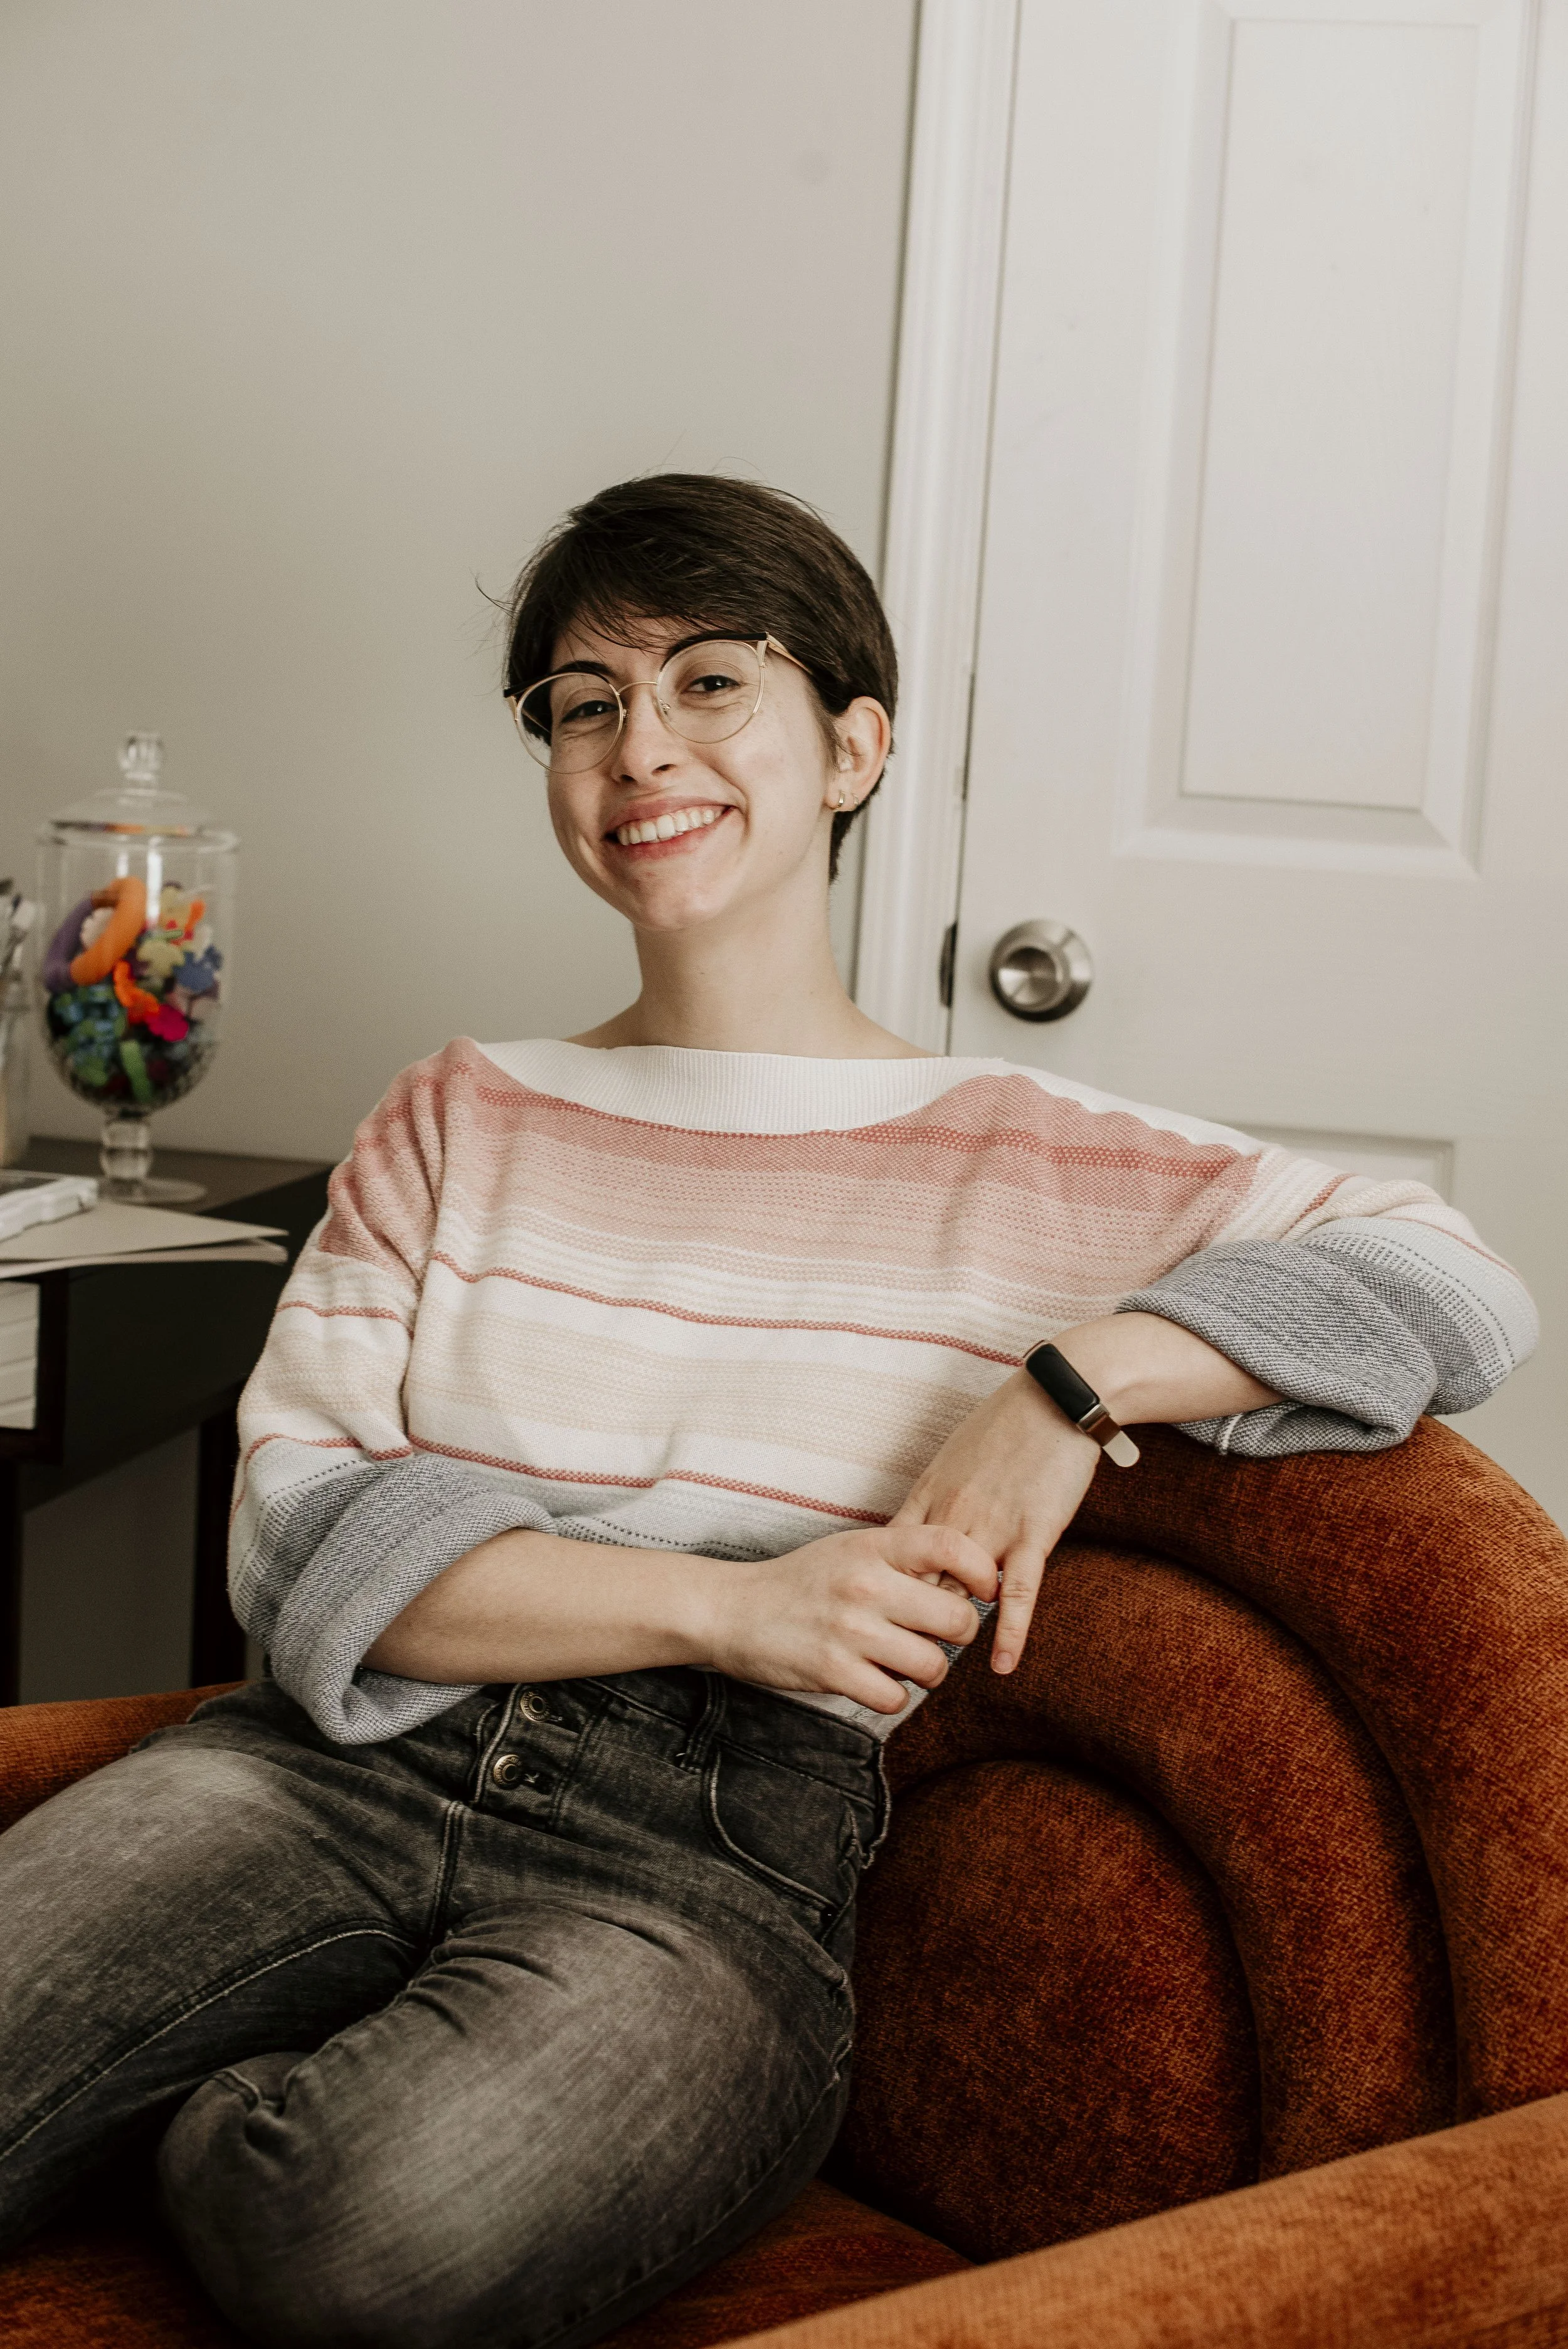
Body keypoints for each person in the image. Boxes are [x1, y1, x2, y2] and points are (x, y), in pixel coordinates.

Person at [0, 475, 1536, 2349]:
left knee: (351, 2246)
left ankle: (210, 2102)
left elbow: (1449, 1284)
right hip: (327, 1770)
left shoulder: (1039, 1161)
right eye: (584, 704)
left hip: (707, 1869)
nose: (640, 749)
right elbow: (304, 1545)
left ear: (851, 748)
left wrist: (1064, 1388)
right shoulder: (457, 1113)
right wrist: (736, 1603)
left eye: (711, 683)